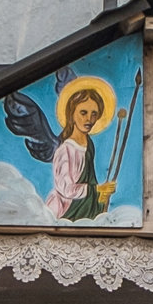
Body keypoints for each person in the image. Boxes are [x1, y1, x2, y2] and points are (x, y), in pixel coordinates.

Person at [46, 81, 117, 220]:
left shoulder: (89, 144)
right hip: (65, 211)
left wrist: (101, 196)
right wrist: (96, 190)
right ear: (71, 114)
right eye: (83, 112)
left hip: (85, 208)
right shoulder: (65, 150)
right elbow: (65, 188)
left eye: (94, 114)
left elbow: (91, 179)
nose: (89, 119)